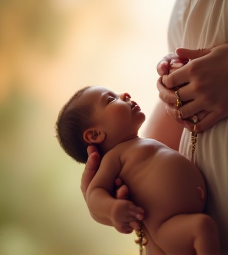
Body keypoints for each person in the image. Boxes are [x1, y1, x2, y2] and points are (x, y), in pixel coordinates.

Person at [81, 0, 228, 254]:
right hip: (212, 233)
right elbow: (171, 129)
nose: (124, 96)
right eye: (110, 99)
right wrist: (108, 199)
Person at [56, 85, 219, 255]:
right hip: (167, 227)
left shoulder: (140, 143)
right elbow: (94, 193)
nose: (125, 94)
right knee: (202, 227)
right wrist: (112, 209)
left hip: (191, 215)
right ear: (95, 134)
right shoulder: (115, 158)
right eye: (111, 99)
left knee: (205, 228)